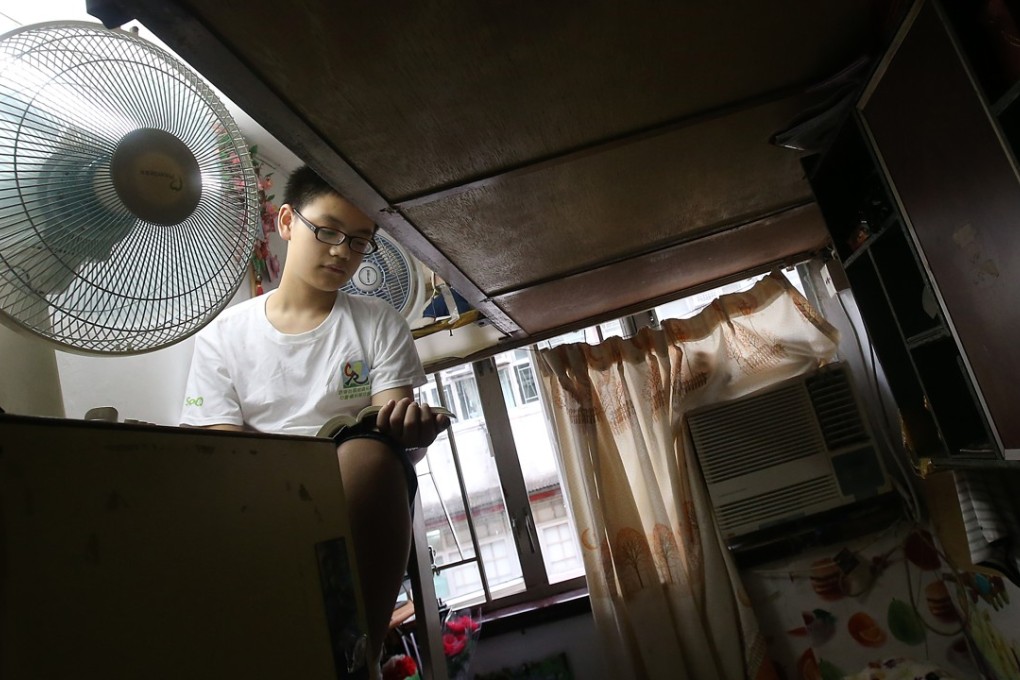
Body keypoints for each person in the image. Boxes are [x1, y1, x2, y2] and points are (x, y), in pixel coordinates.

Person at [180, 164, 450, 677]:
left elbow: (392, 432)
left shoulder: (378, 322)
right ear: (286, 221)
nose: (341, 251)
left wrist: (412, 434)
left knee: (370, 451)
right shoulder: (223, 336)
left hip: (359, 491)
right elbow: (219, 443)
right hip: (263, 495)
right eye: (327, 230)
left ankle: (363, 657)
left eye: (358, 241)